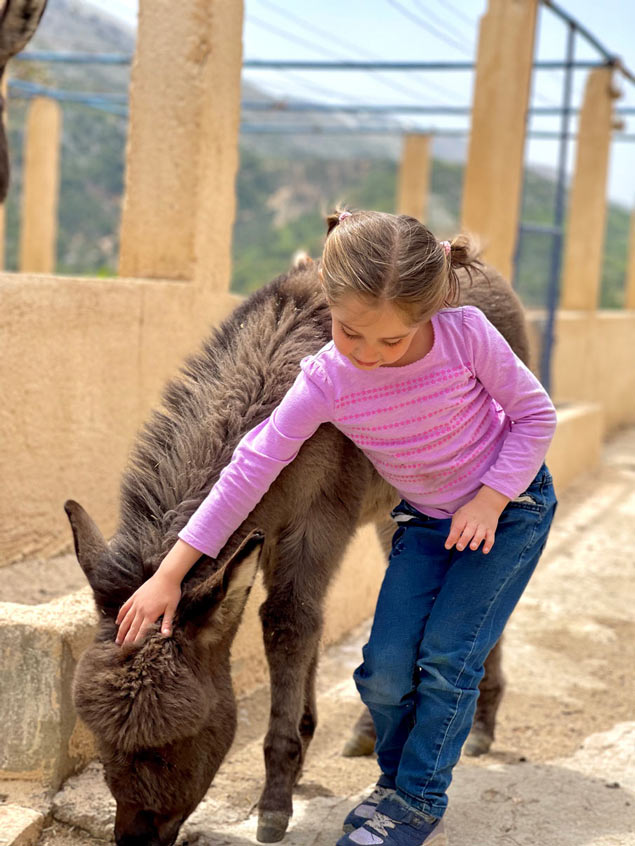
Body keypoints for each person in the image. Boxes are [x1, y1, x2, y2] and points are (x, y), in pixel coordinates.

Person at [115, 209, 558, 846]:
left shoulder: (467, 336)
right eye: (351, 334)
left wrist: (490, 498)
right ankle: (396, 770)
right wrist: (170, 573)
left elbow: (535, 416)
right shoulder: (325, 379)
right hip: (426, 519)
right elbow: (250, 467)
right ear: (326, 296)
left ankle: (415, 798)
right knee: (380, 670)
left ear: (431, 311)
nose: (370, 358)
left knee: (444, 658)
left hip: (508, 509)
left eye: (392, 342)